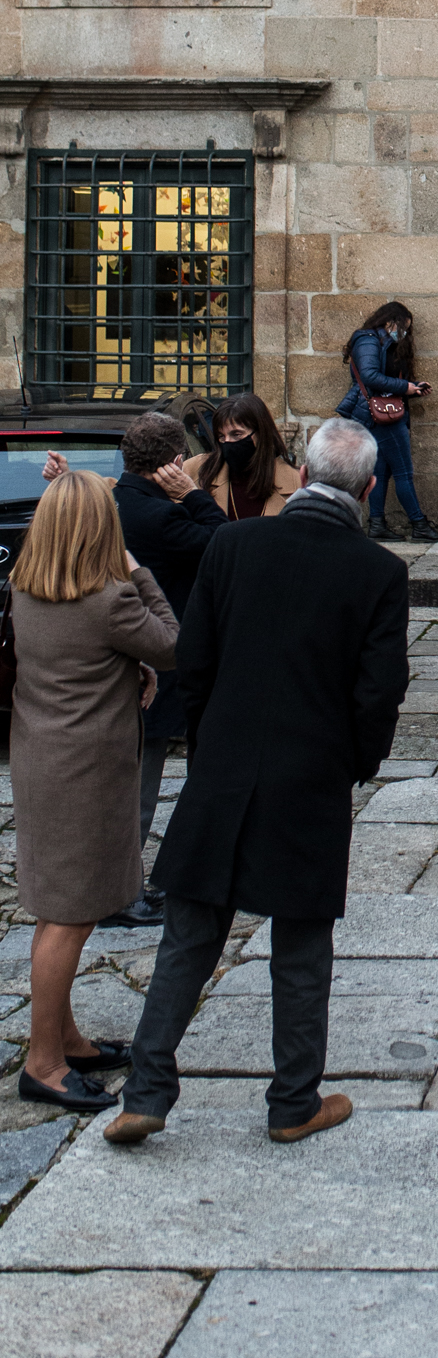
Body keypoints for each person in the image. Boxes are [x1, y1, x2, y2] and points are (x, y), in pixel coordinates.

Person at [101, 417, 410, 1148]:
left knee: (188, 933)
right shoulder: (377, 571)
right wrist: (353, 764)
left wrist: (211, 747)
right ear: (367, 490)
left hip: (225, 765)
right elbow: (378, 693)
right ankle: (292, 1100)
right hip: (310, 773)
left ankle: (145, 1090)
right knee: (301, 945)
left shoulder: (233, 546)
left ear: (301, 476)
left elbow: (195, 657)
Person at [10, 471, 178, 1110]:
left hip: (41, 760)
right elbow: (174, 644)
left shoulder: (27, 590)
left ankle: (67, 1037)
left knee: (58, 907)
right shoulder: (111, 599)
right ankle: (44, 1064)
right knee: (69, 917)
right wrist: (138, 568)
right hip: (85, 771)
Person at [45, 409, 228, 928]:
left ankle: (127, 883)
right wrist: (193, 493)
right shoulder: (162, 516)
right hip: (158, 661)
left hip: (111, 660)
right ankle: (121, 894)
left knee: (124, 783)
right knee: (138, 787)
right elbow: (224, 544)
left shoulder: (110, 502)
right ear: (174, 461)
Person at [336, 299, 438, 544]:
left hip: (380, 411)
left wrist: (413, 387)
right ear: (390, 321)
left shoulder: (380, 341)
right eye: (403, 327)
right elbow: (369, 376)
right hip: (381, 415)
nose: (404, 333)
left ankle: (376, 524)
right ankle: (418, 524)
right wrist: (405, 387)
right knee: (403, 472)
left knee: (380, 471)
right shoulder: (367, 340)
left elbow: (383, 375)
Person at [185, 393, 300, 518]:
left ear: (260, 433)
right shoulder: (196, 471)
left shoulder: (297, 483)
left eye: (237, 434)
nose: (228, 442)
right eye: (221, 436)